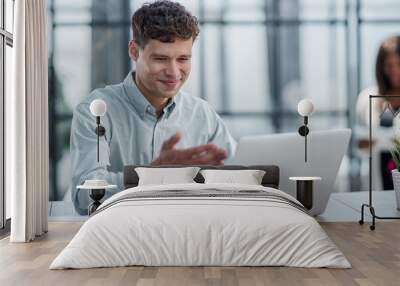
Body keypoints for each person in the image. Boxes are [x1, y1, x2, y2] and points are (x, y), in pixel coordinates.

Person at [70, 0, 237, 215]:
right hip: (121, 233)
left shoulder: (203, 114)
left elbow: (236, 176)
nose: (174, 72)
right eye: (161, 59)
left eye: (183, 59)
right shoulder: (96, 111)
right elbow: (84, 197)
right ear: (134, 51)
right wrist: (155, 173)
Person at [356, 35, 400, 190]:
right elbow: (360, 143)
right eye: (389, 64)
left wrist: (387, 142)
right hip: (376, 184)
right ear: (381, 66)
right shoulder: (368, 97)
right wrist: (363, 144)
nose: (394, 70)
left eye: (399, 64)